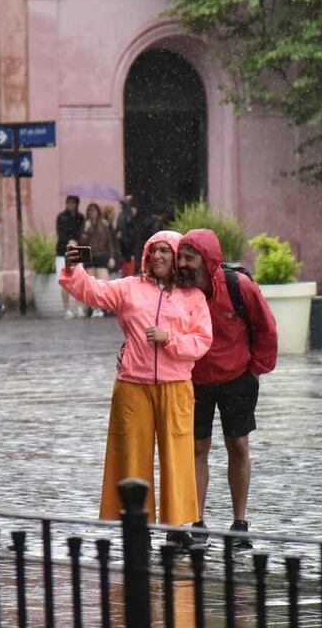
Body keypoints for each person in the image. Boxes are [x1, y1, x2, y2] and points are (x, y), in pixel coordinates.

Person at [60, 230, 213, 547]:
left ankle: (177, 525)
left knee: (177, 456)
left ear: (176, 258)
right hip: (133, 385)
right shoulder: (130, 288)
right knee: (132, 455)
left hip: (175, 385)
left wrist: (169, 339)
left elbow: (202, 341)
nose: (157, 256)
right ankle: (136, 524)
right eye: (153, 251)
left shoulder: (193, 298)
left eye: (165, 251)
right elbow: (94, 292)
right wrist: (74, 269)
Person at [177, 228, 278, 548]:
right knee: (196, 449)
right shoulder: (180, 293)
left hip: (238, 379)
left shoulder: (239, 287)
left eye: (189, 258)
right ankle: (197, 521)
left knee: (238, 446)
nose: (182, 264)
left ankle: (239, 522)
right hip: (194, 381)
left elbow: (266, 328)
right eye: (180, 257)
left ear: (208, 261)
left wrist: (255, 370)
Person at [79, 203, 116, 317]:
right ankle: (95, 308)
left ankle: (102, 307)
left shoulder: (103, 225)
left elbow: (109, 242)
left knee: (103, 283)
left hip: (101, 256)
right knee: (91, 284)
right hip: (89, 256)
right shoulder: (85, 226)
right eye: (90, 211)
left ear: (98, 212)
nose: (92, 213)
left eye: (94, 211)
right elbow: (82, 243)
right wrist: (86, 231)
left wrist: (111, 257)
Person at [55, 195, 86, 318]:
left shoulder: (81, 217)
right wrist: (69, 241)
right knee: (65, 280)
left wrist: (76, 240)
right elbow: (60, 233)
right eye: (69, 203)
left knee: (78, 280)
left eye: (73, 203)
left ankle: (79, 307)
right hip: (63, 251)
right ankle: (67, 309)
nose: (71, 205)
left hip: (78, 250)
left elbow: (81, 232)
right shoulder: (61, 217)